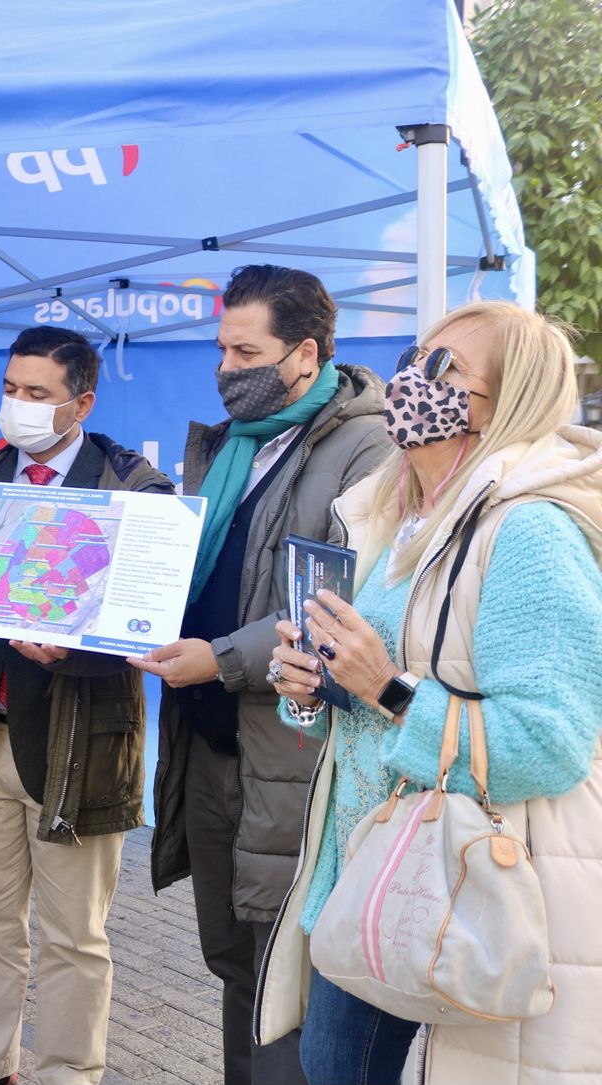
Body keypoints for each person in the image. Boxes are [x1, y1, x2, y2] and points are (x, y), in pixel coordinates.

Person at [258, 301, 602, 1085]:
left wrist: (386, 686)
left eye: (445, 368)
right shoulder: (399, 519)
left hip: (457, 881)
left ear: (504, 401)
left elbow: (548, 741)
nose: (414, 377)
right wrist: (311, 686)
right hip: (373, 873)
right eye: (417, 356)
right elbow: (366, 700)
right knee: (331, 1063)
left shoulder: (530, 532)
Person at [136, 265, 390, 1085]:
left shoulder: (369, 447)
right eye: (219, 347)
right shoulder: (230, 444)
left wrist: (224, 657)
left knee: (286, 978)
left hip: (291, 754)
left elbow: (340, 600)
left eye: (245, 349)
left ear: (305, 354)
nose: (224, 366)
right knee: (235, 960)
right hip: (212, 744)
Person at [0, 327, 175, 1085]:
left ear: (81, 402)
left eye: (37, 394)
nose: (16, 407)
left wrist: (78, 645)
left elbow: (148, 616)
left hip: (76, 741)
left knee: (72, 936)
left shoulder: (133, 488)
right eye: (10, 389)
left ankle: (67, 1074)